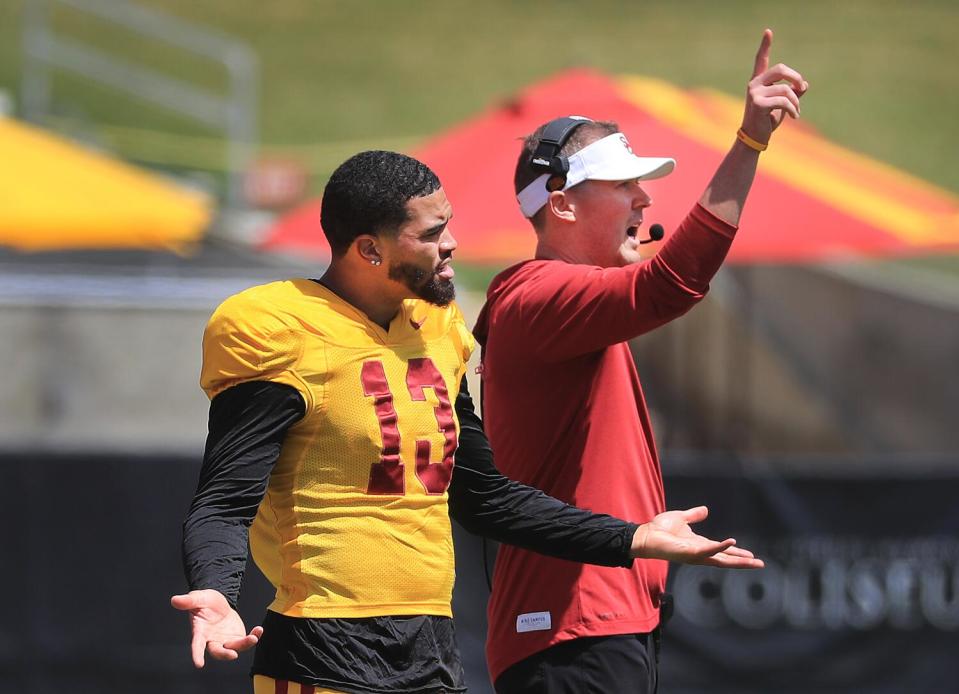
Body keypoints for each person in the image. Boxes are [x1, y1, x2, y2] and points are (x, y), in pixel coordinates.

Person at [170, 149, 763, 694]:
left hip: (430, 646)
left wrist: (631, 538)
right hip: (326, 645)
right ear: (369, 250)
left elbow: (483, 496)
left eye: (447, 223)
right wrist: (218, 592)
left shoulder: (437, 330)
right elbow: (225, 498)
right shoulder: (280, 328)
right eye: (431, 234)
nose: (452, 243)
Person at [475, 29, 807, 693]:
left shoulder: (558, 302)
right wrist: (747, 146)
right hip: (569, 637)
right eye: (623, 184)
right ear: (561, 203)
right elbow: (671, 285)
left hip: (588, 632)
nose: (645, 200)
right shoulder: (536, 295)